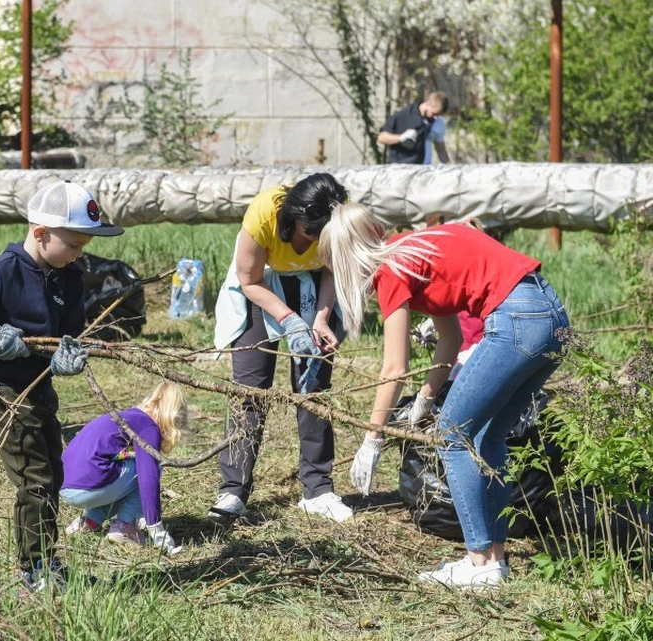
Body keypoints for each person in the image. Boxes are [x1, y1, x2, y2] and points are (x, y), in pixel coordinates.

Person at [319, 205, 569, 589]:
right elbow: (450, 339)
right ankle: (493, 560)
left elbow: (393, 368)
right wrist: (425, 398)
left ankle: (477, 561)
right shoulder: (418, 250)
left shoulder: (392, 270)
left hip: (517, 318)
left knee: (454, 436)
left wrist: (373, 437)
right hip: (549, 315)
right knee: (488, 437)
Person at [0, 181, 123, 592]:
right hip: (2, 388)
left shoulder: (70, 276)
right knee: (34, 478)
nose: (80, 253)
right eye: (74, 244)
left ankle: (46, 561)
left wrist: (69, 354)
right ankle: (34, 570)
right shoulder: (1, 271)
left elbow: (70, 332)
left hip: (40, 387)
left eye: (83, 245)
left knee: (53, 474)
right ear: (40, 233)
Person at [209, 173, 353, 524]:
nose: (317, 240)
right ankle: (233, 490)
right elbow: (249, 280)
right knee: (250, 388)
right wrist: (289, 320)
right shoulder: (264, 215)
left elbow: (333, 271)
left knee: (313, 389)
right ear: (293, 217)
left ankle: (318, 489)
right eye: (311, 232)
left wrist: (320, 319)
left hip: (316, 289)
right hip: (263, 287)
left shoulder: (335, 220)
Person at [60, 381, 187, 555]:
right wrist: (157, 530)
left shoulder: (127, 417)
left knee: (122, 473)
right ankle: (125, 527)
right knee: (151, 468)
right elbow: (148, 479)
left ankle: (90, 521)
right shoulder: (148, 426)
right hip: (87, 488)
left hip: (64, 486)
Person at [377, 92, 448, 164]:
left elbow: (441, 149)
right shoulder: (403, 115)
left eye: (439, 114)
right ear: (427, 104)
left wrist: (448, 167)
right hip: (400, 169)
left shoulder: (438, 122)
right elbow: (382, 137)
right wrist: (401, 138)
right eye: (434, 114)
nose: (436, 117)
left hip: (425, 170)